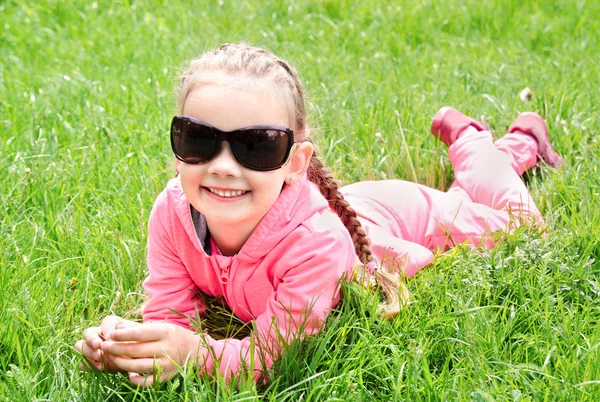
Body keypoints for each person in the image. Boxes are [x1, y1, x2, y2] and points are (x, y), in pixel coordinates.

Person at [75, 43, 562, 387]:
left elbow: (266, 363)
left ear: (295, 163)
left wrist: (194, 355)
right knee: (470, 196)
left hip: (403, 216)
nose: (223, 167)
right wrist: (129, 347)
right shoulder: (171, 214)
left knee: (521, 224)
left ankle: (485, 141)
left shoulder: (316, 245)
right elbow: (170, 316)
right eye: (199, 139)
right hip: (356, 208)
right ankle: (493, 148)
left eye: (256, 146)